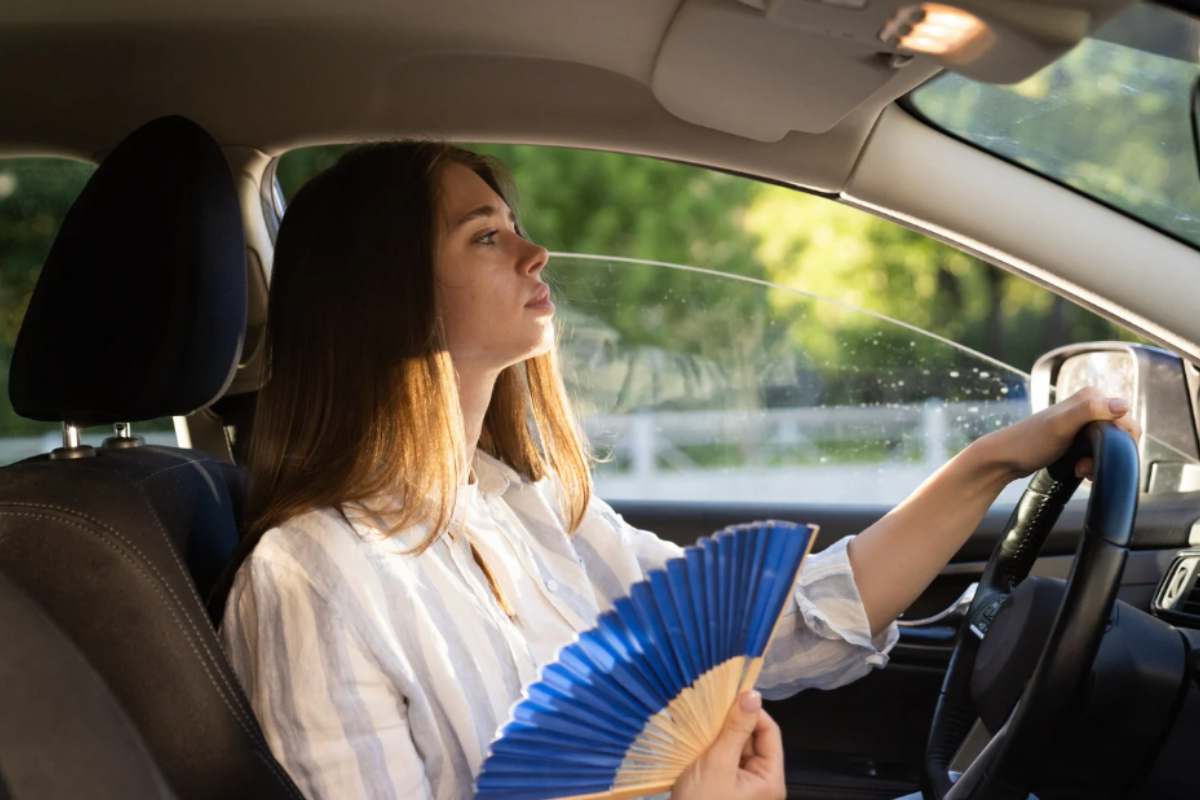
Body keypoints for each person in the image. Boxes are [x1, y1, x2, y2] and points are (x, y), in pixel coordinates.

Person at [219, 141, 1140, 800]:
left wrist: (994, 463)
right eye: (486, 237)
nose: (536, 253)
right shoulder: (311, 582)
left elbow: (787, 625)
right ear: (390, 297)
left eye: (514, 227)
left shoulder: (529, 510)